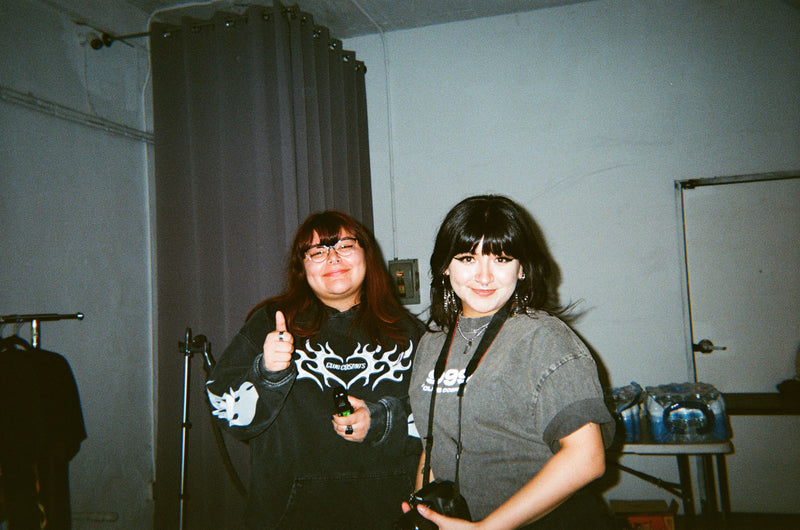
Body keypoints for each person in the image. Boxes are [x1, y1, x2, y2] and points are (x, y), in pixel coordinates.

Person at [404, 195, 615, 529]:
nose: (484, 276)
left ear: (522, 269)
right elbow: (434, 443)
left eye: (501, 258)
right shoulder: (432, 341)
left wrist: (488, 528)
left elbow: (586, 458)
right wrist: (423, 509)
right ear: (445, 266)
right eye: (467, 258)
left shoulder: (546, 339)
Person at [206, 210, 424, 529]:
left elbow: (438, 422)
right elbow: (222, 409)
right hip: (290, 516)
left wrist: (383, 420)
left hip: (385, 512)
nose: (333, 258)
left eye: (345, 246)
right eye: (317, 251)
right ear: (302, 267)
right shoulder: (271, 324)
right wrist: (266, 374)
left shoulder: (409, 333)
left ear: (368, 255)